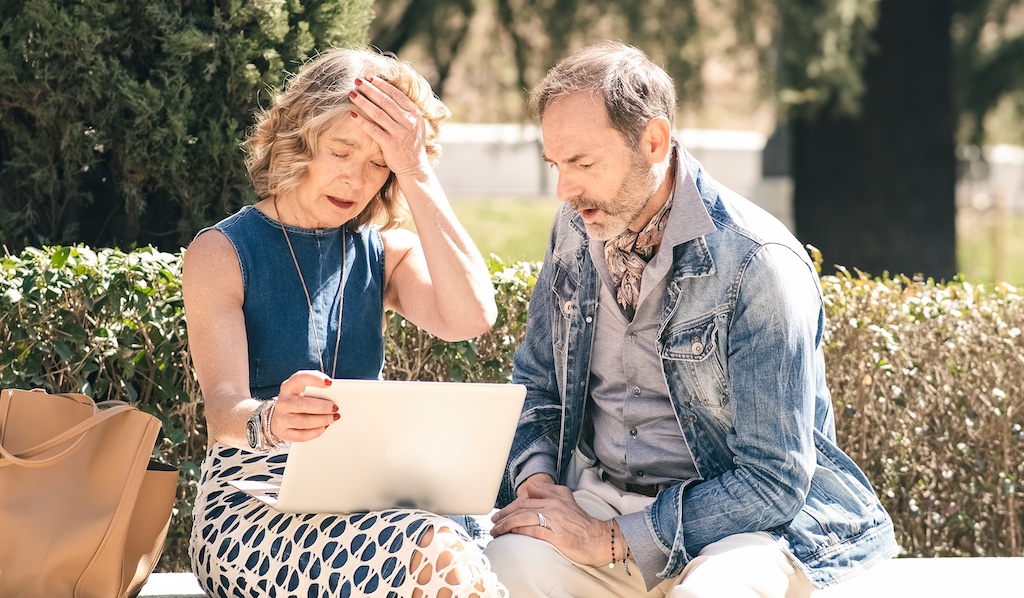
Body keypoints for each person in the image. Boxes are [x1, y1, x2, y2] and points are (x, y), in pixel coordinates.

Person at [482, 41, 899, 597]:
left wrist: (614, 540)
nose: (565, 190)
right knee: (497, 568)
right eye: (556, 165)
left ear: (653, 141)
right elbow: (537, 385)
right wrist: (537, 489)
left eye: (582, 163)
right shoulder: (576, 229)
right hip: (602, 501)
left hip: (746, 533)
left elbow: (773, 482)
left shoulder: (759, 263)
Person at [182, 48, 506, 597]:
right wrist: (273, 419)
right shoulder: (222, 251)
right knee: (438, 550)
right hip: (251, 510)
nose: (357, 179)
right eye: (342, 150)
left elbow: (473, 315)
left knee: (467, 544)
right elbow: (222, 412)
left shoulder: (384, 253)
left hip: (368, 498)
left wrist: (417, 169)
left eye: (380, 162)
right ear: (299, 138)